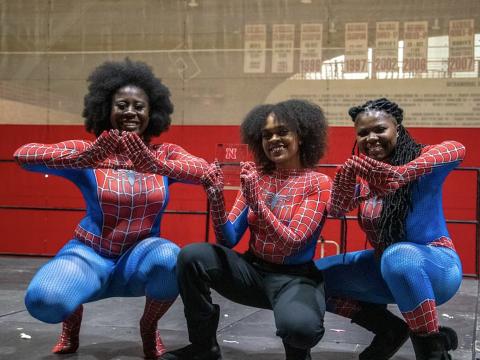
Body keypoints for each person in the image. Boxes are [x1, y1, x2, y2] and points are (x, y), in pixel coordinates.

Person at [13, 58, 209, 359]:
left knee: (172, 258)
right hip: (89, 255)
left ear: (151, 112)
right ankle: (71, 322)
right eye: (122, 104)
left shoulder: (165, 154)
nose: (130, 111)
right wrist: (81, 159)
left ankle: (148, 326)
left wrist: (154, 164)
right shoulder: (89, 151)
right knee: (44, 300)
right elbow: (23, 155)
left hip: (140, 257)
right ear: (106, 109)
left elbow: (205, 171)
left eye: (138, 106)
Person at [159, 99, 332, 360]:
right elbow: (227, 240)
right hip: (253, 271)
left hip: (294, 278)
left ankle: (297, 352)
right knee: (192, 256)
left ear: (302, 135)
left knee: (301, 330)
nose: (274, 139)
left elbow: (293, 242)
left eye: (282, 131)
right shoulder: (257, 179)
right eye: (267, 135)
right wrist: (216, 197)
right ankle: (204, 346)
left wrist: (258, 204)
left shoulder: (318, 183)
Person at [315, 98, 466, 360]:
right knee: (310, 277)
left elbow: (457, 148)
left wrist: (403, 173)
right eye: (363, 133)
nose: (371, 138)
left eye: (379, 129)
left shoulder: (422, 160)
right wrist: (347, 174)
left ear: (397, 127)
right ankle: (389, 330)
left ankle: (432, 348)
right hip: (385, 268)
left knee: (399, 257)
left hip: (436, 269)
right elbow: (337, 209)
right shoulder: (365, 175)